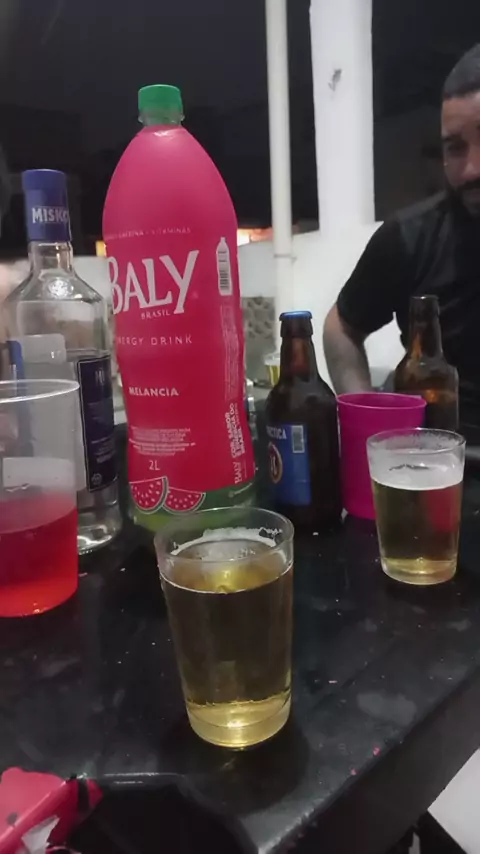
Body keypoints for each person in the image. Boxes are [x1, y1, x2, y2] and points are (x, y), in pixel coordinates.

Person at [323, 44, 480, 443]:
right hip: (435, 467)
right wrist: (369, 430)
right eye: (455, 148)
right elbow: (341, 327)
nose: (470, 169)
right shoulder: (409, 236)